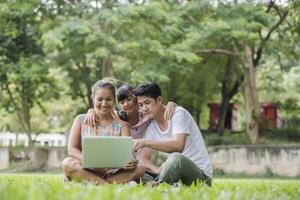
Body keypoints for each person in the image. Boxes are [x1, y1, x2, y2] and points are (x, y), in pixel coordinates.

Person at [62, 80, 145, 185]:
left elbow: (126, 156)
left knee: (140, 168)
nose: (104, 104)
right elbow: (72, 149)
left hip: (113, 172)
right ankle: (106, 185)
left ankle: (93, 183)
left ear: (114, 100)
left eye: (109, 99)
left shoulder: (122, 125)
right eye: (100, 99)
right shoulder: (81, 120)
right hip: (88, 169)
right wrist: (92, 162)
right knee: (67, 163)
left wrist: (130, 163)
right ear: (93, 99)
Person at [132, 82, 213, 186]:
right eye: (141, 105)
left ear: (159, 100)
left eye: (147, 102)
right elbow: (143, 158)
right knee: (138, 168)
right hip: (173, 174)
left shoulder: (178, 114)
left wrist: (146, 142)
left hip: (200, 176)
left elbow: (178, 146)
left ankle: (158, 186)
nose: (144, 108)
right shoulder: (151, 125)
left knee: (175, 158)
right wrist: (156, 170)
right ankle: (160, 184)